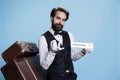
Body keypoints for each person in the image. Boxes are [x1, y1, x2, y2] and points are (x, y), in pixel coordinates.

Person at [38, 7, 93, 80]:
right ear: (51, 18)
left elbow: (73, 57)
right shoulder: (43, 38)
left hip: (71, 76)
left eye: (63, 20)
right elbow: (44, 66)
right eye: (58, 18)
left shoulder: (69, 35)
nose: (60, 22)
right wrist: (52, 52)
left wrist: (83, 51)